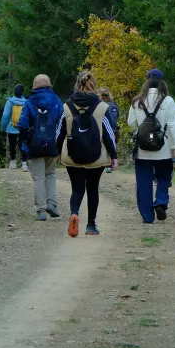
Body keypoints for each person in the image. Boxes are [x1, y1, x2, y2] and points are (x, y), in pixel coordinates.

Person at [57, 71, 117, 237]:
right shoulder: (102, 107)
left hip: (73, 154)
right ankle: (91, 225)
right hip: (95, 156)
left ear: (77, 85)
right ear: (94, 87)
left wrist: (58, 152)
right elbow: (109, 133)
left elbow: (59, 132)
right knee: (92, 189)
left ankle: (74, 213)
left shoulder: (67, 106)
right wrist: (114, 156)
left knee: (77, 189)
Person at [128, 73, 175, 224]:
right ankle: (160, 202)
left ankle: (147, 216)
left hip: (143, 150)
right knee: (164, 178)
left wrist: (140, 132)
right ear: (162, 82)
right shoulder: (168, 100)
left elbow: (131, 123)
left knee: (143, 182)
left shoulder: (137, 101)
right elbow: (173, 125)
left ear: (146, 82)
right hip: (163, 149)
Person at [19, 74, 63, 221]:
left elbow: (23, 124)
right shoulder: (57, 101)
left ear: (34, 86)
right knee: (50, 175)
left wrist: (25, 141)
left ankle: (41, 210)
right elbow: (63, 122)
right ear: (49, 85)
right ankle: (52, 203)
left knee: (38, 177)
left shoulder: (30, 102)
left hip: (34, 145)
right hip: (52, 144)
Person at [0, 84, 28, 171]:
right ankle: (24, 165)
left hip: (11, 127)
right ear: (22, 92)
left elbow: (5, 115)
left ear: (14, 92)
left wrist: (3, 127)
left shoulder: (10, 101)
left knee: (12, 145)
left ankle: (13, 163)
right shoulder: (26, 102)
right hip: (23, 127)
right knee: (23, 145)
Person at [98, 87, 120, 172]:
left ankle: (103, 164)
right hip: (114, 130)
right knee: (111, 146)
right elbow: (116, 116)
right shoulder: (114, 104)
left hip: (103, 129)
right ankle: (110, 164)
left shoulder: (99, 104)